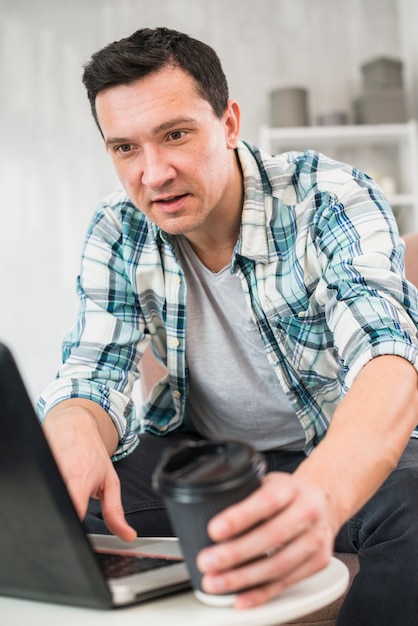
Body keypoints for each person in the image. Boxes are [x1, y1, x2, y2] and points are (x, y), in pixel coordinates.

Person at [38, 27, 418, 625]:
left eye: (176, 135)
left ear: (230, 123)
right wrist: (72, 426)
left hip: (331, 446)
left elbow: (387, 358)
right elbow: (92, 371)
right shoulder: (117, 230)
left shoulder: (329, 196)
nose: (154, 173)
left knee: (415, 504)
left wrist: (323, 492)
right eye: (125, 149)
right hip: (207, 458)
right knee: (79, 503)